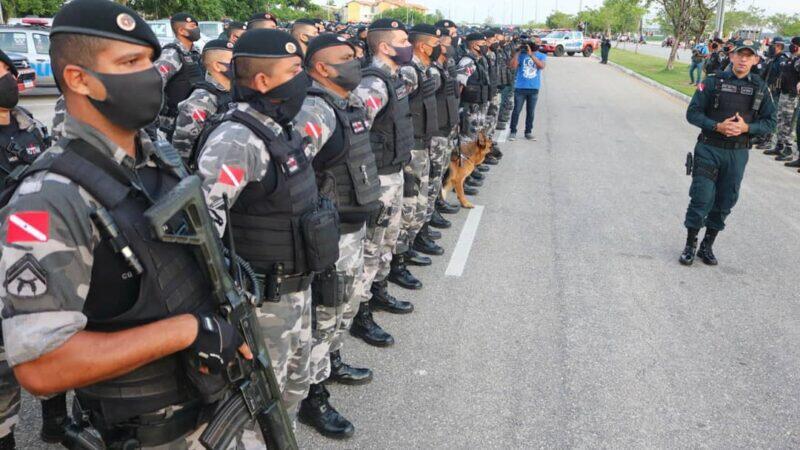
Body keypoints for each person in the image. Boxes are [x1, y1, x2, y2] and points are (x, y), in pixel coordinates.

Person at [0, 0, 254, 447]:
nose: (151, 74)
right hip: (148, 429)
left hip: (209, 400)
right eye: (130, 62)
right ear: (79, 79)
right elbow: (41, 366)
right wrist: (186, 331)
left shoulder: (158, 160)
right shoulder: (49, 199)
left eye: (152, 61)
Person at [195, 28, 340, 421]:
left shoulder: (280, 127)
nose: (304, 78)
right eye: (295, 69)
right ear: (262, 81)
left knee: (290, 395)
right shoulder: (236, 139)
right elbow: (201, 233)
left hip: (296, 293)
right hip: (262, 304)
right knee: (257, 413)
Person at [291, 33, 379, 439]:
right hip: (332, 234)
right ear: (322, 68)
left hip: (351, 226)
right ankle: (312, 397)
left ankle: (330, 363)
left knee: (342, 309)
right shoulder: (314, 109)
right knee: (323, 318)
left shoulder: (343, 103)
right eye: (345, 57)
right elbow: (293, 173)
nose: (356, 60)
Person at [350, 18, 417, 348]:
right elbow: (355, 134)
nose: (409, 44)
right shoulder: (373, 85)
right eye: (403, 39)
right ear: (385, 46)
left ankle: (378, 293)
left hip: (394, 171)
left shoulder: (394, 77)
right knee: (372, 245)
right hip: (378, 178)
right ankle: (360, 315)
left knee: (387, 241)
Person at [680, 40, 776, 266]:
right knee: (701, 197)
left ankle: (707, 245)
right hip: (709, 148)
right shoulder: (713, 82)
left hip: (737, 153)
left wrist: (747, 128)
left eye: (748, 56)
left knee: (725, 200)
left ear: (755, 60)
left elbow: (770, 122)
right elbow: (692, 113)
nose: (743, 59)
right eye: (739, 55)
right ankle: (690, 244)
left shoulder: (761, 87)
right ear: (731, 57)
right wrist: (716, 126)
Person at [0, 47, 51, 450]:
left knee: (50, 336)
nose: (6, 79)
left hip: (38, 251)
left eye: (5, 71)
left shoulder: (28, 122)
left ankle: (56, 421)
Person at [392, 23, 443, 289]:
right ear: (424, 46)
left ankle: (407, 248)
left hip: (423, 142)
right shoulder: (409, 71)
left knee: (418, 204)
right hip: (411, 147)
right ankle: (397, 263)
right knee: (409, 206)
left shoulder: (422, 69)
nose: (441, 48)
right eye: (436, 44)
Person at [172, 39, 233, 161]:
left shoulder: (235, 92)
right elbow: (181, 150)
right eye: (234, 62)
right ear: (217, 66)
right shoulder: (200, 101)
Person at [154, 13, 204, 141]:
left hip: (193, 122)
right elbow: (153, 84)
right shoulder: (171, 54)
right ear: (182, 31)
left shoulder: (195, 52)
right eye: (192, 26)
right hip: (173, 125)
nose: (197, 29)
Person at [508, 35, 546, 141]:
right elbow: (513, 66)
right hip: (520, 87)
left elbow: (541, 66)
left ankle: (528, 132)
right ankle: (513, 131)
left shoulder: (541, 55)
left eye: (538, 42)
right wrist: (518, 52)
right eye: (535, 42)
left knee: (531, 112)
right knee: (516, 111)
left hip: (533, 88)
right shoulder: (521, 54)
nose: (537, 44)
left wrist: (531, 55)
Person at [756, 36, 787, 152]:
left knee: (771, 115)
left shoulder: (782, 60)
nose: (770, 48)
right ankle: (762, 136)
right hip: (766, 90)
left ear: (778, 46)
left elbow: (780, 78)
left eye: (772, 46)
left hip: (774, 92)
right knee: (762, 112)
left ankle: (768, 140)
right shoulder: (772, 58)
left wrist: (773, 90)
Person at [771, 37, 800, 163]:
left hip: (792, 95)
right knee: (781, 119)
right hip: (784, 92)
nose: (791, 46)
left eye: (794, 45)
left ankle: (788, 149)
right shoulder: (791, 59)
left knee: (789, 122)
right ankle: (780, 145)